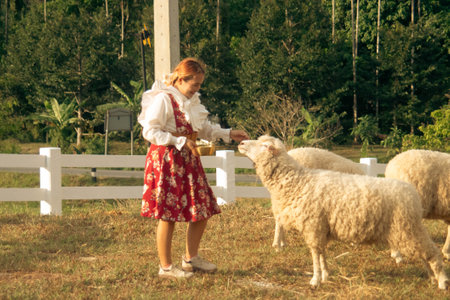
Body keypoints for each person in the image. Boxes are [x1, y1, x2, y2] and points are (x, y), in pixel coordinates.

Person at [138, 57, 249, 279]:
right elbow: (149, 131)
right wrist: (177, 141)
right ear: (180, 79)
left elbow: (203, 128)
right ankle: (166, 267)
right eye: (194, 84)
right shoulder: (164, 99)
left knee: (202, 207)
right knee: (167, 215)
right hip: (167, 159)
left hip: (189, 158)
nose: (197, 88)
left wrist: (229, 134)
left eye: (199, 84)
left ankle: (190, 258)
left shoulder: (192, 101)